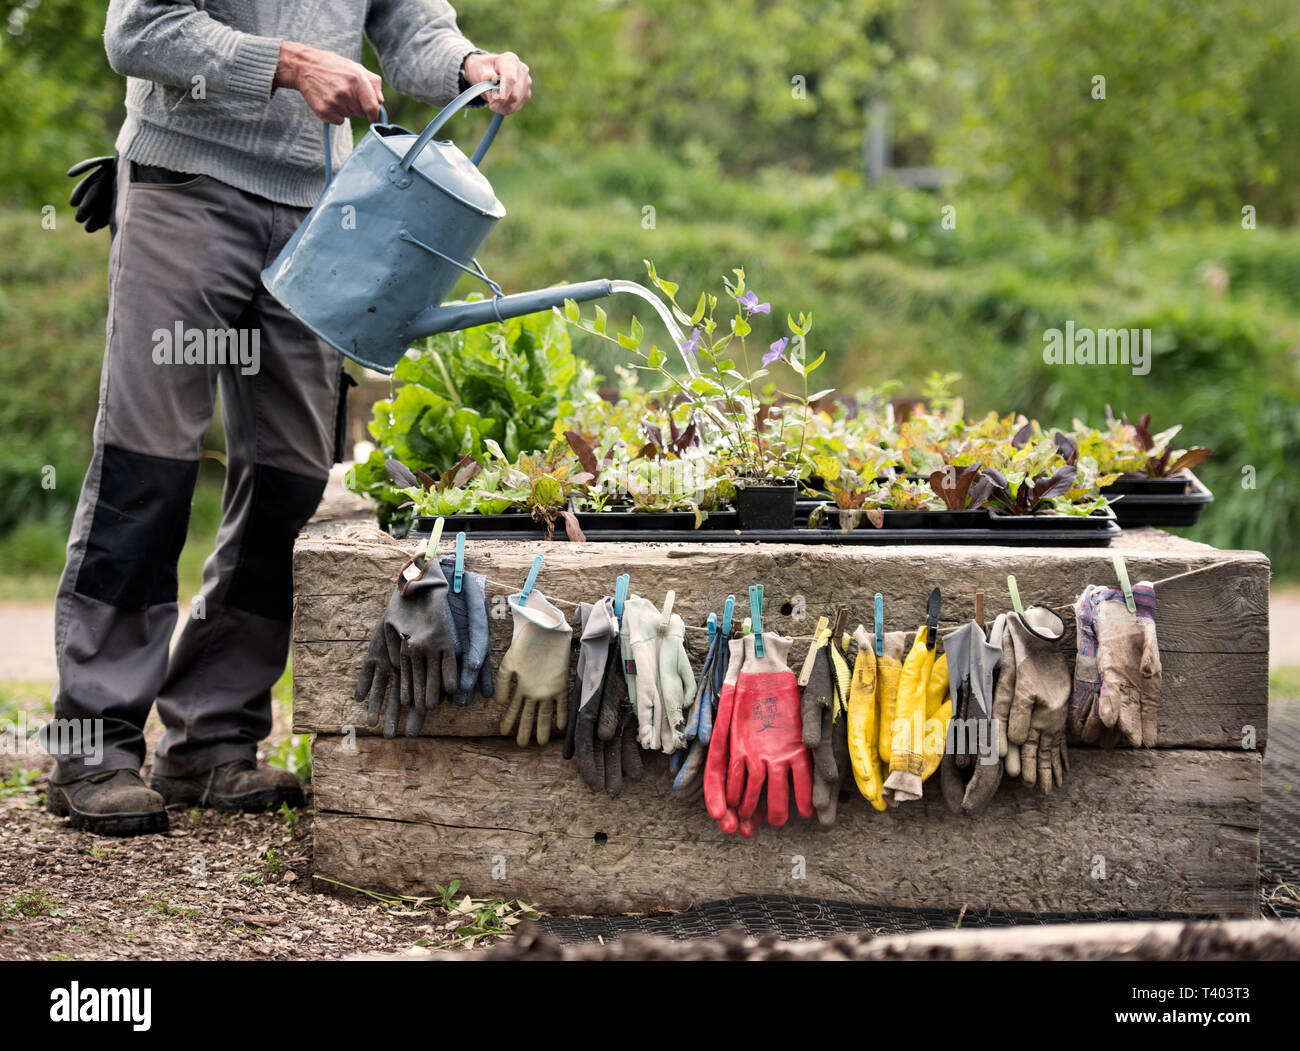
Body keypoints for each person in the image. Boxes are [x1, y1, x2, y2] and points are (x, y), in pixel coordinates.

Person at [46, 0, 532, 836]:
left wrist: (467, 64)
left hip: (325, 210)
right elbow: (136, 30)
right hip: (184, 191)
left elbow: (412, 23)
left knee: (291, 483)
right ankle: (95, 746)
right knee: (147, 465)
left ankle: (213, 736)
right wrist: (291, 63)